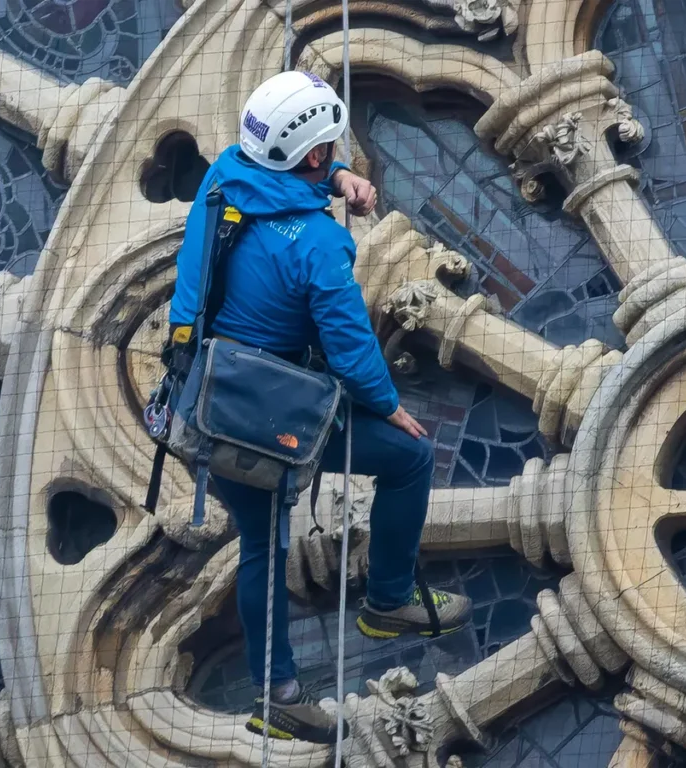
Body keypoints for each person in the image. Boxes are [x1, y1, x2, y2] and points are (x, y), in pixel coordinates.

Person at [168, 71, 472, 744]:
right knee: (408, 457)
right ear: (307, 153)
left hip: (204, 395)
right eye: (330, 145)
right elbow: (349, 345)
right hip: (264, 416)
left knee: (260, 543)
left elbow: (279, 176)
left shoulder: (225, 176)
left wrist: (337, 178)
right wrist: (387, 405)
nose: (336, 150)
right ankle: (385, 604)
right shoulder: (317, 245)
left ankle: (279, 686)